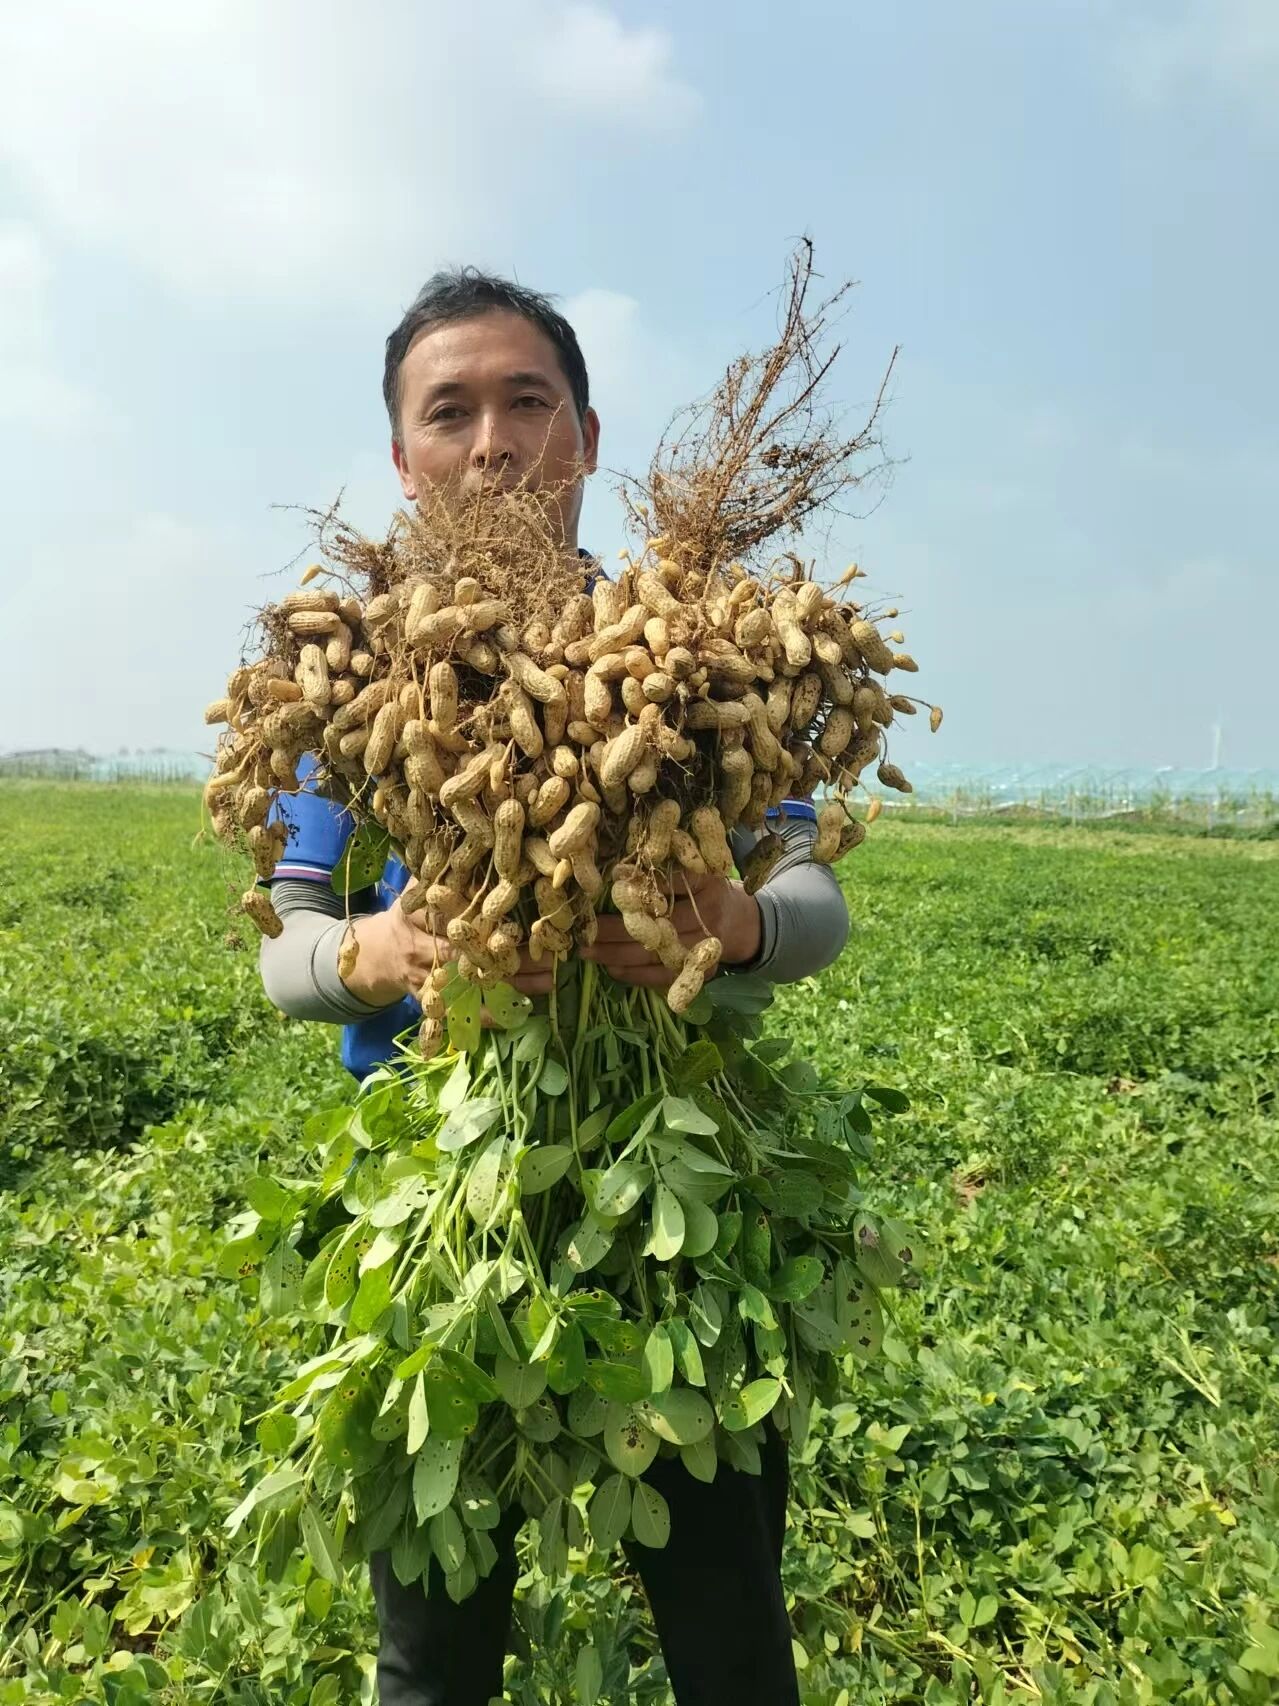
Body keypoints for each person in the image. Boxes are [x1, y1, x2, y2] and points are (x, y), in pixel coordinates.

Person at [259, 270, 850, 1706]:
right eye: (448, 411)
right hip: (441, 1210)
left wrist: (733, 926)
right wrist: (371, 953)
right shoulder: (348, 671)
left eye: (529, 403)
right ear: (403, 461)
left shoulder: (703, 648)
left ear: (585, 436)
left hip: (673, 1207)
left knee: (728, 1637)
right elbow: (285, 937)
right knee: (434, 1658)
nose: (493, 442)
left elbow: (815, 898)